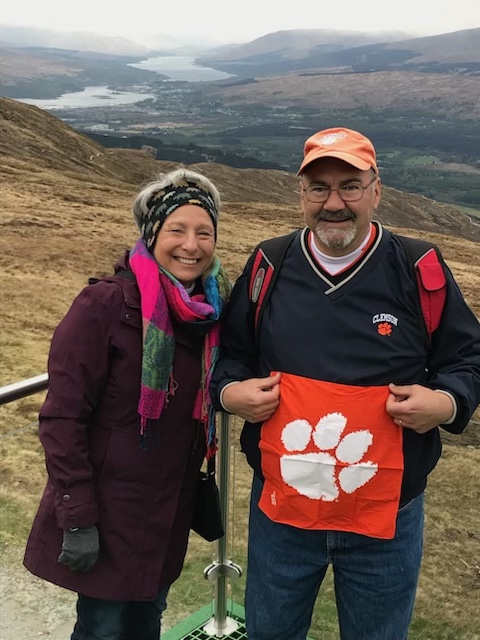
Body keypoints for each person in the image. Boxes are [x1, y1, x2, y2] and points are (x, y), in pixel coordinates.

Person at [210, 127, 480, 640]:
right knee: (270, 633)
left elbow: (468, 356)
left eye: (350, 186)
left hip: (388, 519)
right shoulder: (270, 264)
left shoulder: (418, 266)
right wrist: (230, 394)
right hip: (282, 513)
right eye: (319, 188)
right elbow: (229, 354)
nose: (334, 202)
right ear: (302, 194)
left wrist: (445, 402)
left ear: (376, 189)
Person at [24, 168, 231, 640]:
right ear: (151, 233)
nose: (191, 245)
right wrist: (76, 517)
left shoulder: (212, 311)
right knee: (101, 629)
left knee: (146, 622)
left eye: (205, 232)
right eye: (177, 230)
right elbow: (61, 418)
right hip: (106, 510)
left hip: (166, 509)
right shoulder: (105, 305)